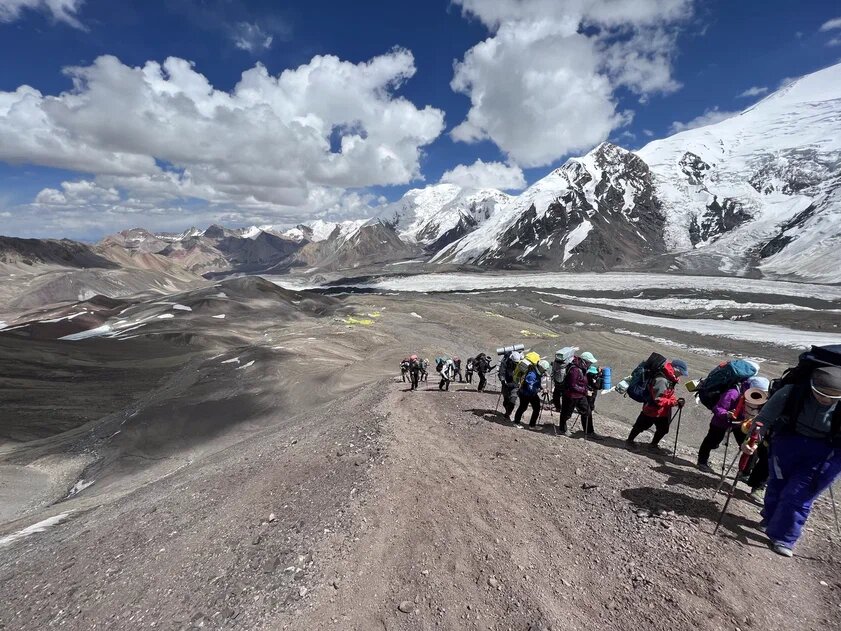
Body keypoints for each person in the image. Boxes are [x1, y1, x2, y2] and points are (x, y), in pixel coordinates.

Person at [741, 366, 841, 558]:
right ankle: (770, 518)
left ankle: (784, 537)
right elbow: (764, 419)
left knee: (798, 495)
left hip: (825, 453)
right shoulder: (791, 393)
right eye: (820, 394)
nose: (824, 400)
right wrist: (751, 441)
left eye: (832, 398)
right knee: (777, 485)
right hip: (787, 443)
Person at [625, 358, 688, 451]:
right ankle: (629, 441)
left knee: (663, 429)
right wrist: (674, 402)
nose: (682, 375)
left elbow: (668, 394)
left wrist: (675, 400)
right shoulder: (662, 380)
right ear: (676, 369)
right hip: (652, 408)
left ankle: (653, 445)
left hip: (662, 410)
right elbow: (658, 400)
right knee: (640, 426)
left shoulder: (669, 377)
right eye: (682, 372)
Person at [697, 378, 752, 473]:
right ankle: (702, 461)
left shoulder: (750, 394)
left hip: (740, 423)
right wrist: (726, 414)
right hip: (721, 422)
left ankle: (745, 472)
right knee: (711, 442)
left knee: (748, 446)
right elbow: (718, 408)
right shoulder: (732, 393)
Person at [558, 353, 594, 436]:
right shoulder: (575, 370)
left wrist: (586, 389)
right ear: (584, 361)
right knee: (566, 413)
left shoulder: (581, 368)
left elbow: (580, 382)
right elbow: (572, 385)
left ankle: (589, 431)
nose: (590, 364)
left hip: (580, 395)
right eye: (590, 362)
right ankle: (563, 430)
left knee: (587, 412)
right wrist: (585, 391)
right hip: (570, 395)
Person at [515, 359, 548, 429]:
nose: (545, 371)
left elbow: (537, 383)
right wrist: (540, 390)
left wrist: (542, 388)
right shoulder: (532, 375)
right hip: (525, 394)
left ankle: (532, 425)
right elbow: (530, 388)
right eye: (544, 370)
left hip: (531, 394)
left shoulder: (537, 373)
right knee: (523, 407)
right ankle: (516, 422)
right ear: (541, 368)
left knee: (537, 408)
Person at [500, 351, 521, 420]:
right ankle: (507, 411)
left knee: (513, 400)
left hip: (515, 385)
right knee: (506, 401)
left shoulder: (520, 363)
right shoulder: (505, 362)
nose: (516, 364)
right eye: (515, 362)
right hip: (506, 384)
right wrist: (503, 380)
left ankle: (507, 414)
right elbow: (501, 372)